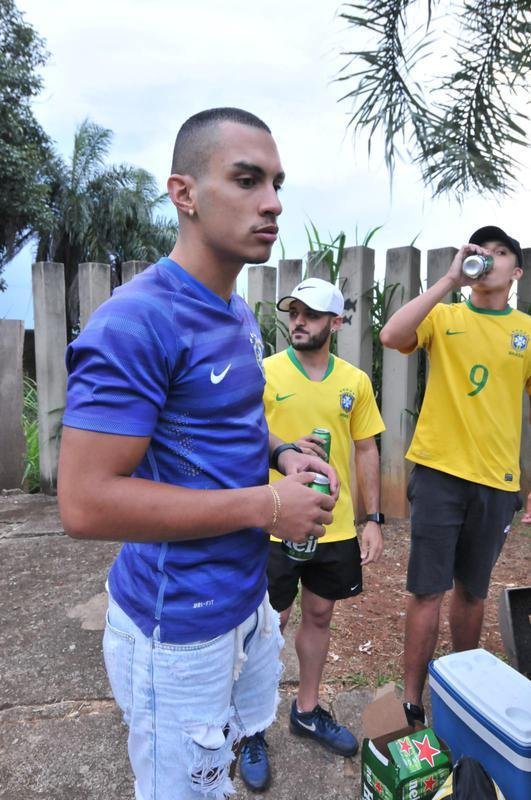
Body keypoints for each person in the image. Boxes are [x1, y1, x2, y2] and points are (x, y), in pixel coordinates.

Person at [57, 108, 339, 800]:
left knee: (227, 761)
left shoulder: (235, 311)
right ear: (183, 193)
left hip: (244, 599)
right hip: (176, 627)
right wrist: (269, 506)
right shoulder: (136, 321)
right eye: (246, 180)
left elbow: (226, 421)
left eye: (276, 184)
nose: (272, 203)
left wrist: (281, 455)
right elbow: (85, 504)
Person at [380, 225, 531, 727]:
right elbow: (391, 336)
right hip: (439, 474)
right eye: (481, 250)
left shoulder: (526, 331)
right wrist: (448, 281)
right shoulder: (444, 316)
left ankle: (466, 694)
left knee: (472, 591)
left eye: (500, 252)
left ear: (516, 271)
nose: (489, 257)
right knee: (427, 590)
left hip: (497, 483)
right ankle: (411, 700)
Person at [239, 277, 385, 791]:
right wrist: (281, 447)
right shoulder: (264, 372)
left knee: (320, 615)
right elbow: (242, 434)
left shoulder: (355, 382)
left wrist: (373, 518)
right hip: (275, 521)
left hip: (333, 525)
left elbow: (366, 448)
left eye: (311, 314)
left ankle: (306, 709)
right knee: (267, 624)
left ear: (336, 323)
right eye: (294, 312)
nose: (298, 321)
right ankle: (251, 727)